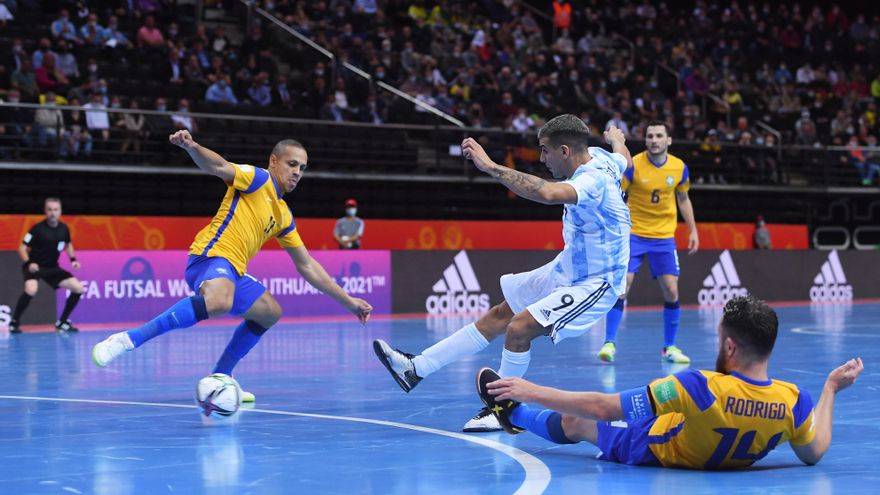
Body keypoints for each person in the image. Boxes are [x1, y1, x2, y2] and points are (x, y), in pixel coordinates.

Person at [374, 115, 632, 432]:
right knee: (500, 315)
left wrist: (491, 167)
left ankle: (503, 409)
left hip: (596, 281)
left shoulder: (591, 180)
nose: (541, 159)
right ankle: (416, 368)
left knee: (519, 328)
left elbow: (548, 194)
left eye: (545, 151)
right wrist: (616, 138)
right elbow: (624, 158)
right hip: (568, 266)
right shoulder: (607, 158)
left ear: (564, 151)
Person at [91, 131, 373, 403]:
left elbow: (307, 265)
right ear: (273, 161)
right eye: (292, 164)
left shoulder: (284, 214)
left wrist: (348, 301)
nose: (298, 172)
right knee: (220, 301)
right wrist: (192, 146)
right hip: (210, 256)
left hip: (233, 270)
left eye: (302, 167)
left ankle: (221, 376)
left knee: (269, 312)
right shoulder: (257, 178)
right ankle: (128, 340)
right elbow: (218, 166)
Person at [476, 296, 864, 469]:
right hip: (709, 442)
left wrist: (528, 389)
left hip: (653, 446)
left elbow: (603, 407)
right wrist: (830, 389)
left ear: (729, 345)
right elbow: (814, 453)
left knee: (579, 422)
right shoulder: (793, 401)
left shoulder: (698, 386)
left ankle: (517, 415)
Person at [598, 120, 699, 364]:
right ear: (646, 140)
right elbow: (616, 193)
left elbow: (683, 198)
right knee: (623, 288)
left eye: (658, 136)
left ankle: (670, 348)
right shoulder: (634, 165)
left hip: (664, 237)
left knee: (672, 290)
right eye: (650, 136)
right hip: (633, 234)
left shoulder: (679, 168)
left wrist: (693, 230)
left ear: (668, 140)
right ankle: (609, 343)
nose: (654, 140)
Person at [9, 198, 84, 334]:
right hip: (34, 266)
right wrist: (29, 263)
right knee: (31, 289)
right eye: (49, 209)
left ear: (60, 211)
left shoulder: (64, 228)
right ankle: (14, 322)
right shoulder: (37, 229)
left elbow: (68, 244)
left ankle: (62, 322)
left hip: (52, 268)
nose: (52, 213)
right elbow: (21, 248)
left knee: (78, 288)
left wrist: (73, 259)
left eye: (55, 210)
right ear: (45, 211)